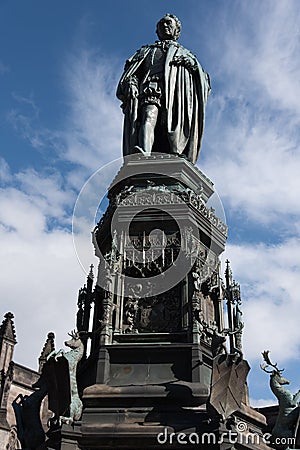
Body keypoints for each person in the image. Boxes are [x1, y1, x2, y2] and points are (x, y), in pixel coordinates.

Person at [117, 14, 211, 164]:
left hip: (176, 96)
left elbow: (204, 81)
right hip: (151, 88)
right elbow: (132, 73)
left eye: (169, 24)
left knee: (172, 124)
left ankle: (175, 153)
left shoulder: (187, 55)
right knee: (149, 116)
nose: (165, 26)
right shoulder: (146, 51)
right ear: (157, 31)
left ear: (177, 31)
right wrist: (132, 84)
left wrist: (192, 66)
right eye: (161, 25)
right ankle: (143, 153)